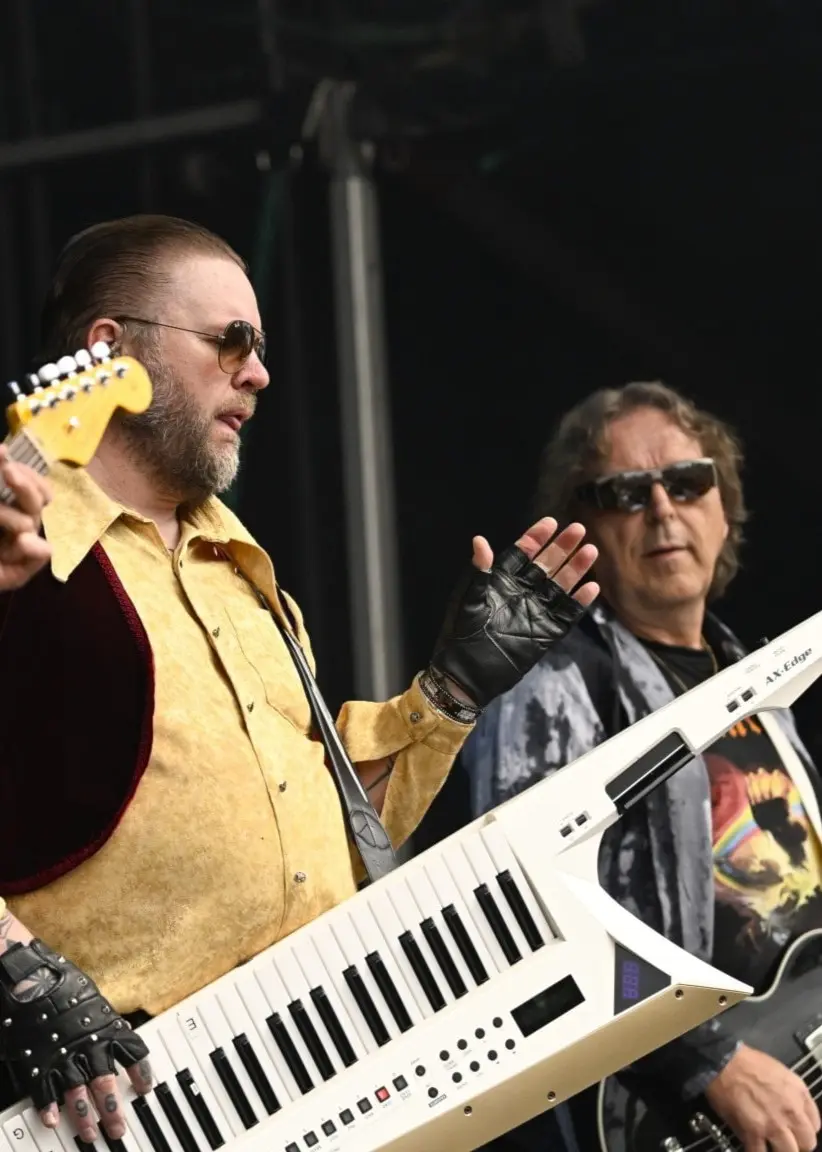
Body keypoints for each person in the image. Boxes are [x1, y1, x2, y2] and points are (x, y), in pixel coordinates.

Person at [0, 215, 600, 1146]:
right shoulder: (21, 543)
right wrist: (15, 972)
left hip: (302, 1076)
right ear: (107, 350)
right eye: (229, 340)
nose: (258, 373)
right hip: (106, 1106)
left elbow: (320, 839)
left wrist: (450, 695)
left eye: (263, 348)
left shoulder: (243, 568)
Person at [462, 381, 822, 1152]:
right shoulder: (556, 682)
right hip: (670, 1114)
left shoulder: (761, 678)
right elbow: (531, 907)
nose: (663, 509)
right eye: (626, 493)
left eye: (688, 482)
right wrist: (710, 1065)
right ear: (585, 526)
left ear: (723, 506)